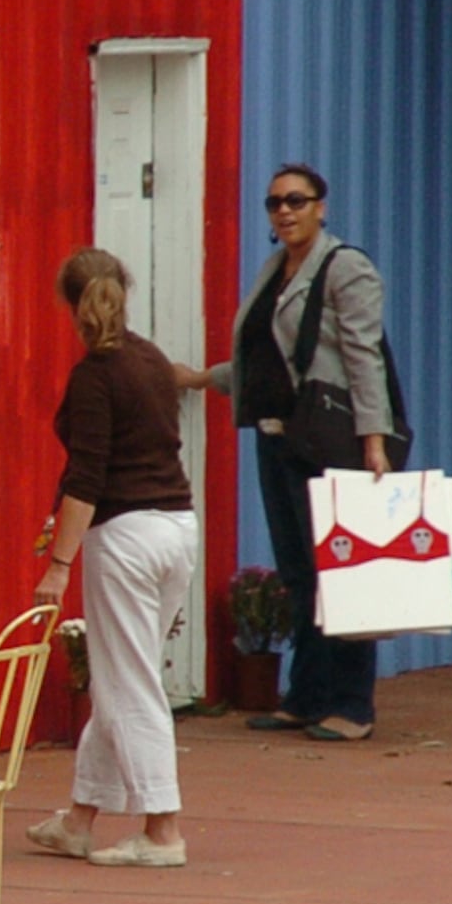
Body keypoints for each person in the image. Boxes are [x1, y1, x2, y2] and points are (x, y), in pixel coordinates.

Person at [179, 162, 399, 743]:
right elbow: (267, 360)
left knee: (341, 572)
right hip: (277, 437)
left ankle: (352, 706)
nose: (284, 211)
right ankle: (305, 697)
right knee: (300, 573)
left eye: (296, 200)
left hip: (330, 439)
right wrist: (203, 378)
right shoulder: (275, 268)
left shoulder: (345, 267)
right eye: (275, 202)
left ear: (321, 207)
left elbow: (363, 356)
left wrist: (374, 440)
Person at [26, 248, 201, 868]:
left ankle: (163, 829)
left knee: (128, 684)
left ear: (71, 305)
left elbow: (86, 479)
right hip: (178, 527)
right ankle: (80, 820)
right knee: (121, 675)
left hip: (126, 537)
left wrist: (58, 564)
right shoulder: (151, 359)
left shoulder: (94, 377)